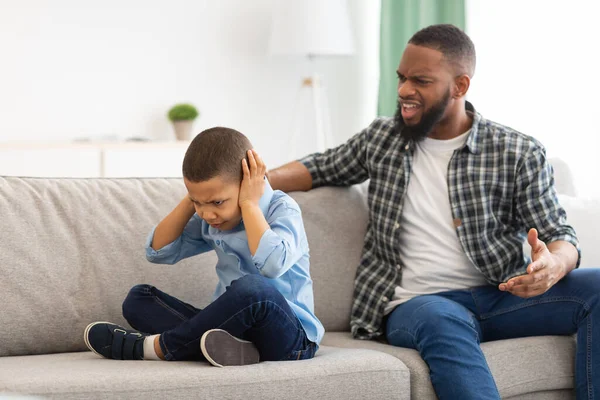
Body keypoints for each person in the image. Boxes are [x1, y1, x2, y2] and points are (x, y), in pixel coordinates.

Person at [267, 24, 599, 399]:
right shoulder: (382, 138)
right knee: (442, 320)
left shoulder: (516, 152)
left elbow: (559, 235)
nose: (404, 91)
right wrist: (256, 180)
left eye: (420, 81)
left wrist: (553, 266)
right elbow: (319, 167)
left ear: (460, 86)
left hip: (500, 293)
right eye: (402, 78)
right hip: (418, 304)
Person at [84, 127, 323, 367]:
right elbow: (157, 251)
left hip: (291, 338)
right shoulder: (212, 218)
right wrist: (192, 199)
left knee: (253, 288)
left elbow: (272, 266)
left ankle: (156, 347)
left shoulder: (281, 209)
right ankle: (227, 348)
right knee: (138, 299)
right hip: (232, 331)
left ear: (247, 181)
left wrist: (249, 203)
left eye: (217, 202)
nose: (207, 213)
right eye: (198, 202)